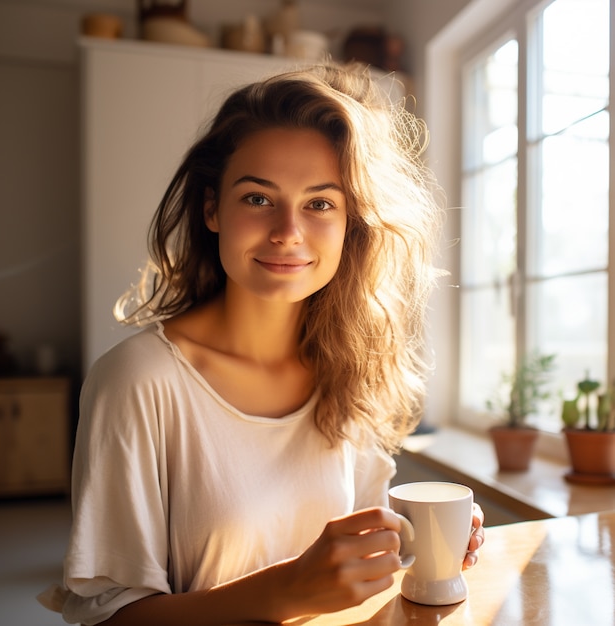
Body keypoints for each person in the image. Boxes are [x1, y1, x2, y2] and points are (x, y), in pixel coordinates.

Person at [40, 63, 484, 625]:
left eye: (320, 203)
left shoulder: (349, 371)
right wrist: (285, 592)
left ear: (352, 224)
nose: (287, 231)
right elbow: (109, 618)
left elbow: (358, 555)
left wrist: (425, 542)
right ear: (212, 209)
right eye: (257, 198)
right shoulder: (136, 381)